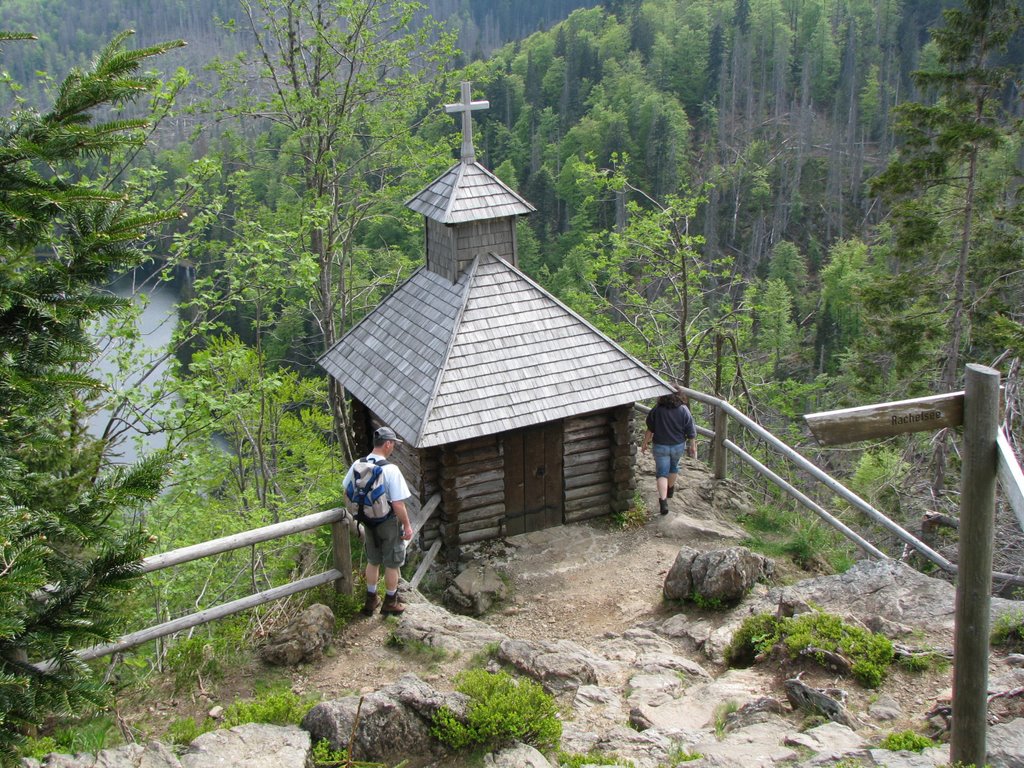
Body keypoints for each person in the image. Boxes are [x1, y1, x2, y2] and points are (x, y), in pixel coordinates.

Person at [343, 426, 414, 616]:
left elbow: (346, 491)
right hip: (388, 522)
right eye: (393, 445)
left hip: (366, 520)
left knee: (373, 560)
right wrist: (407, 526)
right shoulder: (391, 470)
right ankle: (390, 602)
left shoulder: (359, 464)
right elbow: (398, 504)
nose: (393, 448)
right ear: (388, 444)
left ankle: (371, 599)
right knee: (392, 562)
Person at [640, 389, 698, 515]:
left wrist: (645, 443)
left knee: (661, 474)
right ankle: (670, 489)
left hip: (660, 445)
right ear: (679, 395)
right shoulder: (683, 410)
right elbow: (690, 429)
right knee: (673, 467)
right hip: (678, 445)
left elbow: (650, 428)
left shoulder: (657, 409)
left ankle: (663, 501)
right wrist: (692, 446)